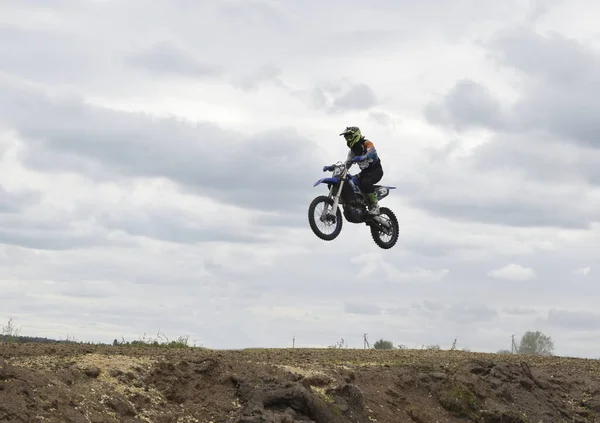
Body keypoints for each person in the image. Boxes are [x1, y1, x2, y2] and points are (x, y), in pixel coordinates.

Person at [339, 126, 383, 215]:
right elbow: (347, 163)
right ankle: (356, 202)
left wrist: (364, 156)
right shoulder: (352, 151)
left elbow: (371, 151)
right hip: (364, 173)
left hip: (376, 171)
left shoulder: (367, 143)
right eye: (346, 138)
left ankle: (375, 206)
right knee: (349, 181)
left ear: (357, 135)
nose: (348, 139)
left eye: (350, 137)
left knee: (365, 182)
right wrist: (335, 167)